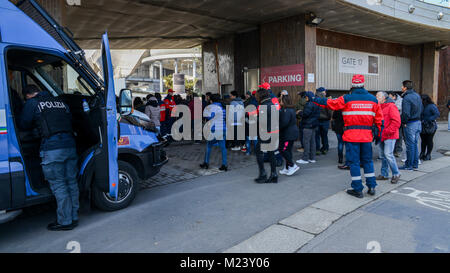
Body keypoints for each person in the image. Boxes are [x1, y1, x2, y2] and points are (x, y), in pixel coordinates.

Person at [308, 75, 383, 198]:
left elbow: (329, 103)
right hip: (366, 137)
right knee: (368, 161)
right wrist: (379, 133)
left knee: (354, 163)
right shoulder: (373, 100)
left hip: (351, 136)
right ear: (364, 84)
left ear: (352, 85)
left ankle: (357, 189)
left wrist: (314, 99)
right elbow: (380, 119)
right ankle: (371, 186)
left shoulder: (346, 98)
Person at [19, 85, 79, 231]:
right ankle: (74, 216)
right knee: (71, 181)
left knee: (59, 185)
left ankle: (65, 221)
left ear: (28, 95)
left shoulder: (32, 103)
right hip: (70, 146)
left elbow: (23, 124)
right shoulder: (60, 102)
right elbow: (69, 120)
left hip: (52, 149)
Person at [376, 92, 402, 184]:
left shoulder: (391, 106)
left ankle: (396, 173)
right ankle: (384, 174)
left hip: (389, 135)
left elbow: (396, 121)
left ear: (384, 98)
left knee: (388, 155)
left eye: (377, 96)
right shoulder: (379, 107)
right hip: (382, 135)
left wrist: (387, 132)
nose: (376, 98)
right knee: (383, 156)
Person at [254, 88, 279, 184]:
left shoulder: (263, 106)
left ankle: (263, 174)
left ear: (260, 96)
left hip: (266, 133)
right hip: (274, 132)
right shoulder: (272, 104)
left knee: (258, 151)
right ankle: (274, 174)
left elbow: (262, 122)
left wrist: (256, 118)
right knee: (271, 153)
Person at [399, 80, 423, 171]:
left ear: (405, 87)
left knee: (410, 145)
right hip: (418, 122)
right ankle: (415, 164)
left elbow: (405, 113)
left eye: (402, 86)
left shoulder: (407, 98)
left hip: (410, 123)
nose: (401, 88)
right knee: (414, 144)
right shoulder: (417, 95)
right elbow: (421, 108)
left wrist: (404, 122)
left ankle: (409, 165)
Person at [200, 94, 228, 171]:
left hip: (214, 129)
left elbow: (209, 117)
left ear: (211, 100)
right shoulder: (223, 107)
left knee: (209, 146)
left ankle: (206, 163)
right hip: (223, 128)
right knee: (223, 148)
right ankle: (224, 165)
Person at [278, 95, 300, 176]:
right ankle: (287, 167)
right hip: (290, 133)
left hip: (288, 134)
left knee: (283, 149)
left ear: (284, 101)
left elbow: (284, 122)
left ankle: (292, 165)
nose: (280, 102)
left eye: (281, 101)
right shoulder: (290, 109)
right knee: (287, 150)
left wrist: (277, 127)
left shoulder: (286, 110)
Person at [296, 91, 320, 165]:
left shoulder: (309, 104)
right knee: (313, 142)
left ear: (308, 97)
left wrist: (299, 112)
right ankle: (312, 158)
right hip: (314, 125)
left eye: (306, 97)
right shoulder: (316, 103)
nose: (305, 98)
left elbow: (306, 114)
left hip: (307, 126)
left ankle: (305, 158)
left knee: (306, 142)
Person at [420, 94, 440, 161]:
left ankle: (428, 154)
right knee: (423, 141)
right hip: (422, 125)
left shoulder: (432, 106)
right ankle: (422, 153)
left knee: (429, 140)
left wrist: (428, 119)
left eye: (421, 100)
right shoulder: (421, 106)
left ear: (425, 100)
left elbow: (437, 114)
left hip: (430, 126)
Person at [315, 87, 332, 155]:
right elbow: (329, 111)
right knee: (324, 135)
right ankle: (325, 148)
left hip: (316, 120)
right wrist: (329, 117)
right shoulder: (326, 100)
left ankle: (317, 149)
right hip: (325, 120)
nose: (325, 93)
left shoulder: (315, 99)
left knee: (317, 136)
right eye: (324, 91)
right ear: (322, 92)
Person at [389, 92, 403, 157]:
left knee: (399, 136)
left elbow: (399, 108)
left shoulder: (400, 100)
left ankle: (398, 151)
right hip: (390, 120)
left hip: (398, 120)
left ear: (394, 96)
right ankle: (392, 150)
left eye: (390, 96)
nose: (389, 98)